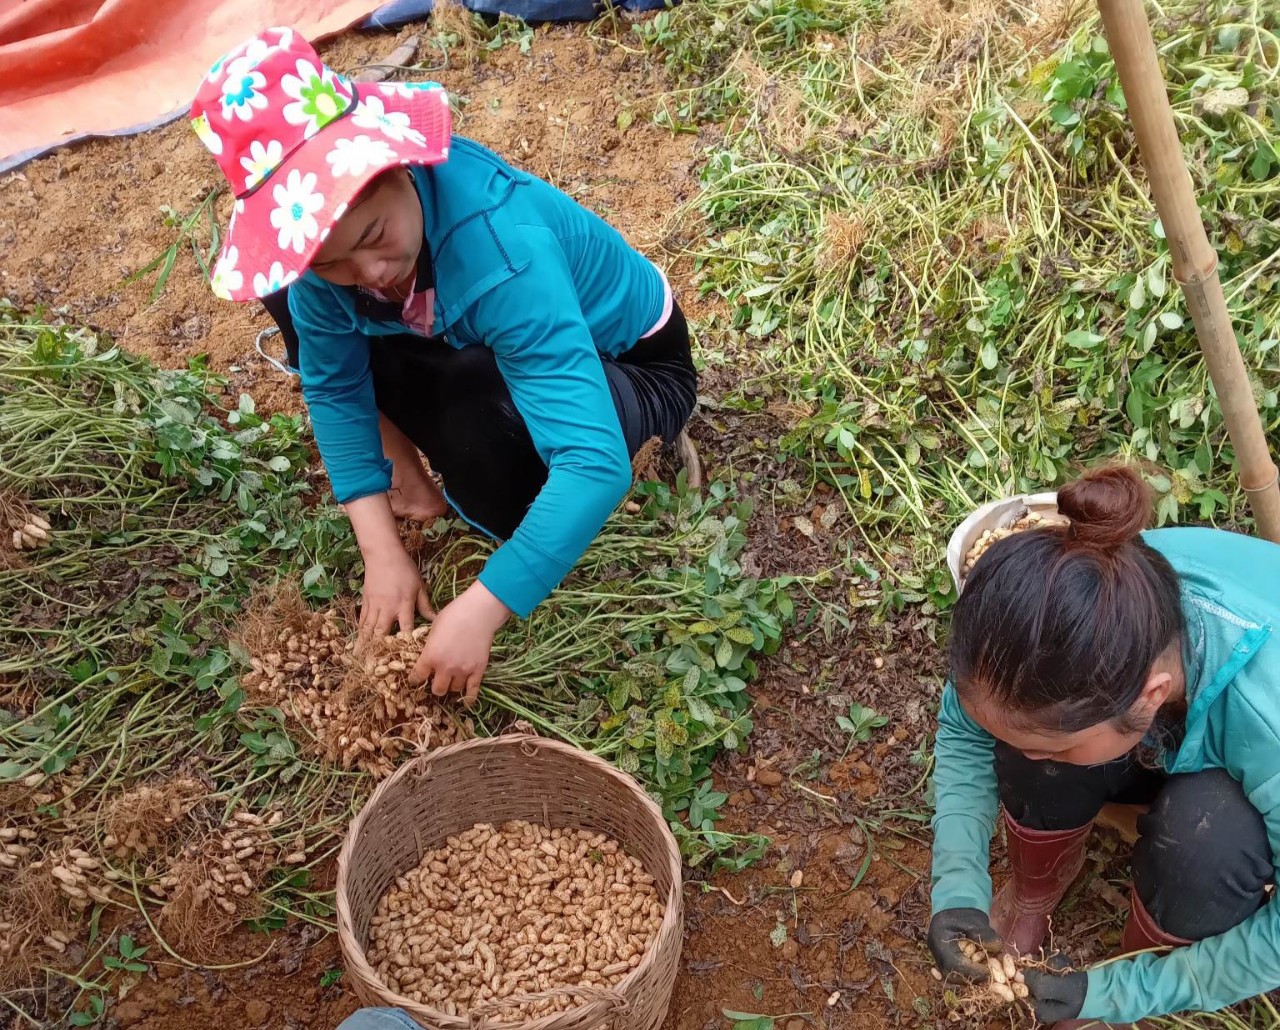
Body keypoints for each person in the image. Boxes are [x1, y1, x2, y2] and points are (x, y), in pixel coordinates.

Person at [191, 28, 696, 701]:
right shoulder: (335, 261)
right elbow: (335, 387)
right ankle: (411, 475)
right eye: (333, 261)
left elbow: (590, 461)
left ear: (399, 163)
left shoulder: (500, 249)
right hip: (466, 325)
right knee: (291, 295)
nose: (366, 271)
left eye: (373, 237)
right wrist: (382, 553)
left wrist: (484, 607)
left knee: (491, 435)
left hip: (634, 367)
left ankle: (652, 452)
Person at [927, 465, 1280, 1027]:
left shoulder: (1271, 718)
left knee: (1208, 841)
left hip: (1256, 737)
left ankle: (1145, 954)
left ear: (1150, 696)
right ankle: (1035, 892)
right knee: (1030, 743)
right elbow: (966, 733)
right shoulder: (1045, 629)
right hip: (1147, 717)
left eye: (1059, 746)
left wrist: (1124, 992)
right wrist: (958, 888)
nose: (1022, 753)